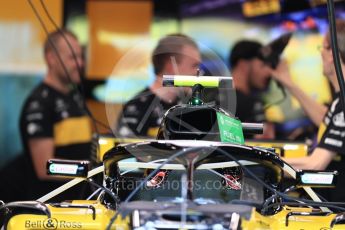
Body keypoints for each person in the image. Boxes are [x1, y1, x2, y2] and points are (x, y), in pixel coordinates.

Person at [272, 19, 345, 201]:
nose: (320, 52)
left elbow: (315, 163)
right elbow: (325, 121)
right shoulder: (339, 100)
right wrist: (288, 82)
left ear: (334, 54)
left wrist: (262, 165)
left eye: (324, 46)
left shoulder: (343, 103)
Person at [16, 29, 92, 200]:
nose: (80, 63)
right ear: (51, 58)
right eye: (72, 58)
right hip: (51, 210)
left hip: (80, 204)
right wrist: (89, 169)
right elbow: (45, 168)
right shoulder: (39, 104)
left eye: (80, 57)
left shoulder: (75, 98)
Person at [115, 34, 201, 138]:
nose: (198, 72)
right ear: (171, 65)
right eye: (194, 65)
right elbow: (126, 152)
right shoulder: (137, 108)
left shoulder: (189, 106)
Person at [228, 40, 275, 139]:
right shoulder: (252, 104)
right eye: (263, 65)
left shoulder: (211, 98)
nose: (268, 73)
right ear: (243, 65)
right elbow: (266, 141)